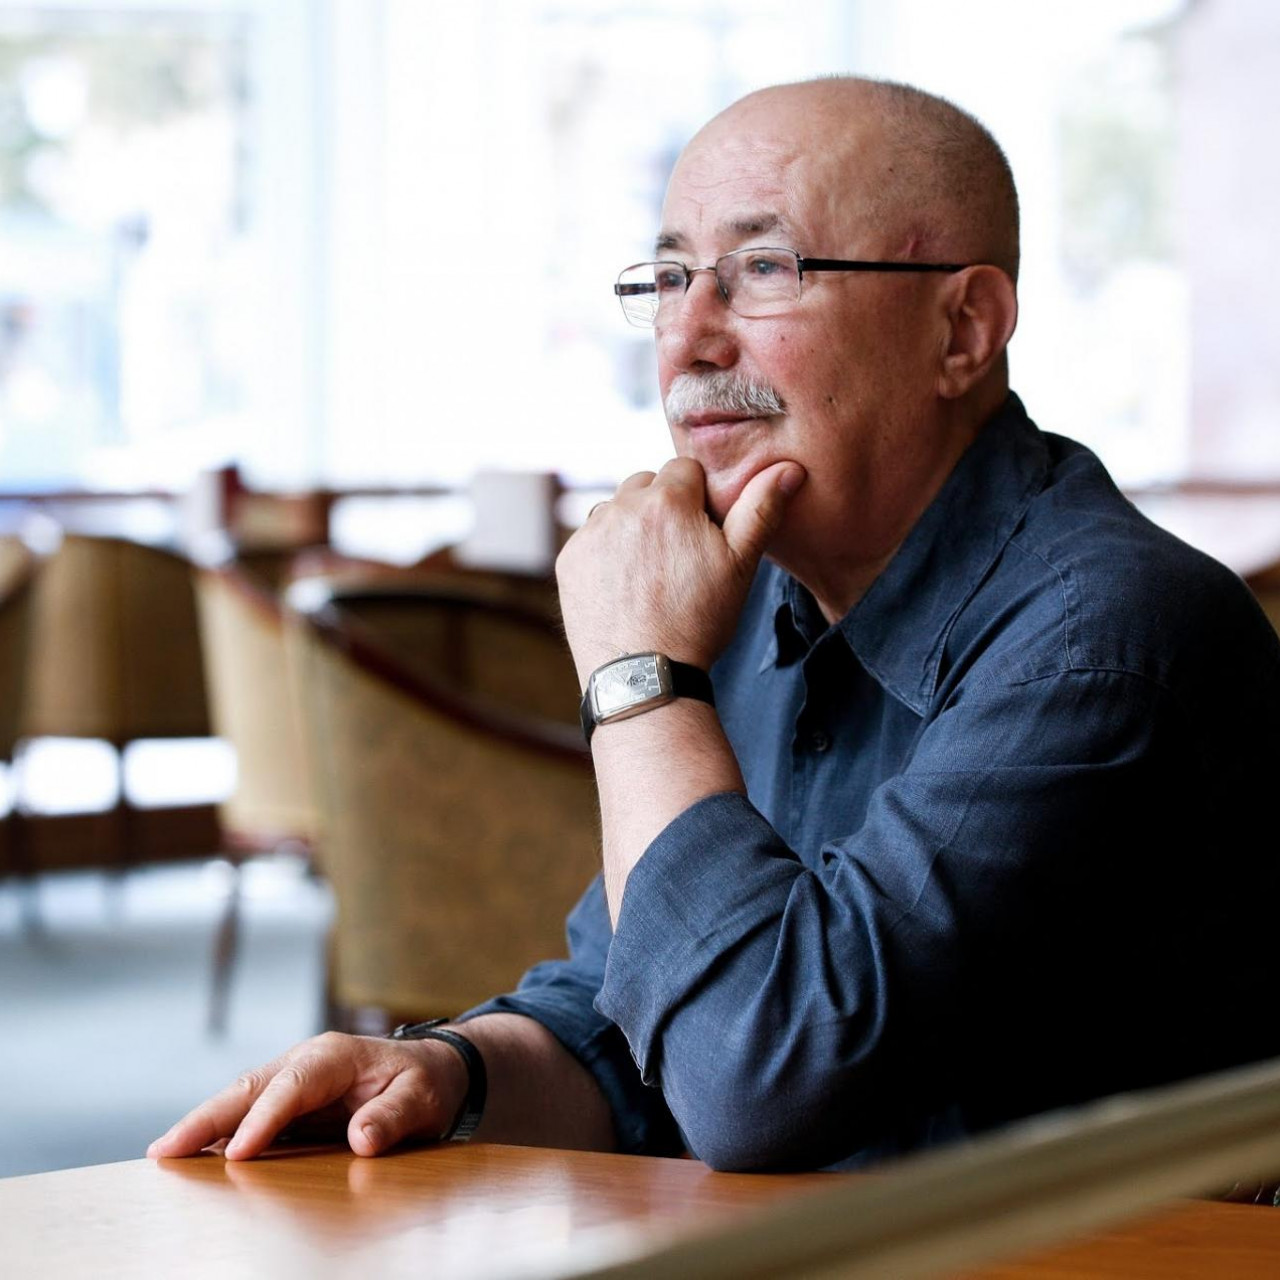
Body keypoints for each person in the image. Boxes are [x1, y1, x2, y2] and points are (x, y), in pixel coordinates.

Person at [150, 77, 1280, 1172]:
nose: (686, 338)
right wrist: (449, 1070)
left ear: (962, 329)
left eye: (763, 269)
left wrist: (639, 677)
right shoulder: (752, 591)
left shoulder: (1101, 641)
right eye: (670, 277)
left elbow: (758, 1079)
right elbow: (634, 1013)